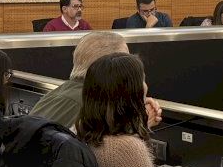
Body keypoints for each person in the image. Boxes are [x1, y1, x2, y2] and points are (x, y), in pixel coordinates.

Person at [28, 31, 165, 131]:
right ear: (107, 66)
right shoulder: (92, 106)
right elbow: (107, 153)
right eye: (124, 61)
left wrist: (133, 103)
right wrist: (139, 123)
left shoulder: (57, 95)